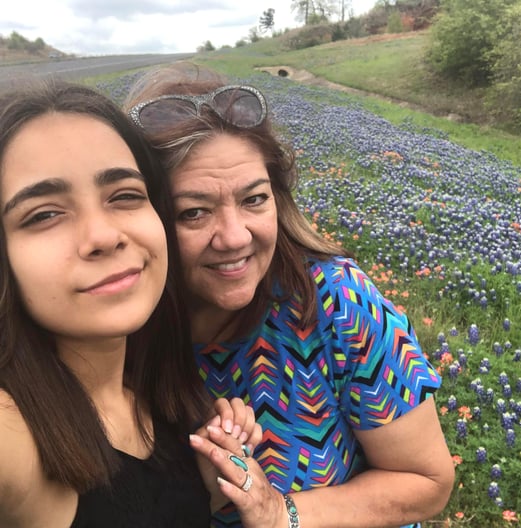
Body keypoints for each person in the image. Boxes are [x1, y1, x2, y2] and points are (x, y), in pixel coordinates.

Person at [124, 63, 455, 528]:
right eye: (193, 212)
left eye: (254, 199)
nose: (235, 237)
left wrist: (281, 515)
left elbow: (427, 480)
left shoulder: (336, 301)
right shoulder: (117, 334)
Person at [0, 78, 260, 528]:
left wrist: (205, 486)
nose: (103, 235)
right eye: (43, 214)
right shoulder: (12, 433)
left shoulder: (161, 397)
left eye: (125, 196)